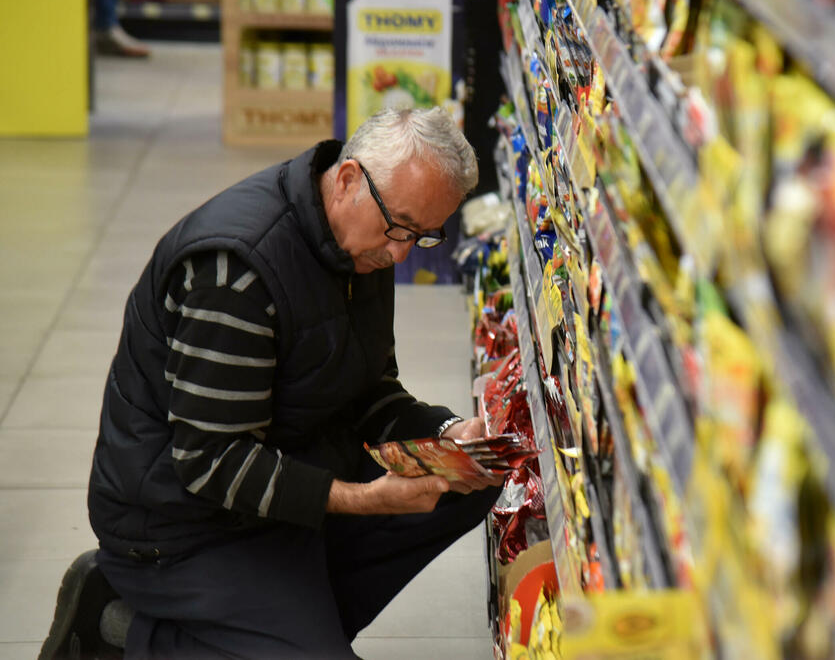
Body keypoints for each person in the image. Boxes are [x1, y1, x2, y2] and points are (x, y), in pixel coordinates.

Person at [39, 107, 502, 659]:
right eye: (400, 228)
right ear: (350, 178)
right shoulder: (238, 270)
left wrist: (448, 435)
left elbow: (370, 389)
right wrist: (363, 499)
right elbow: (211, 462)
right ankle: (118, 625)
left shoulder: (364, 243)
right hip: (183, 526)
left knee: (472, 481)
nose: (401, 253)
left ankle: (290, 627)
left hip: (286, 474)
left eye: (423, 237)